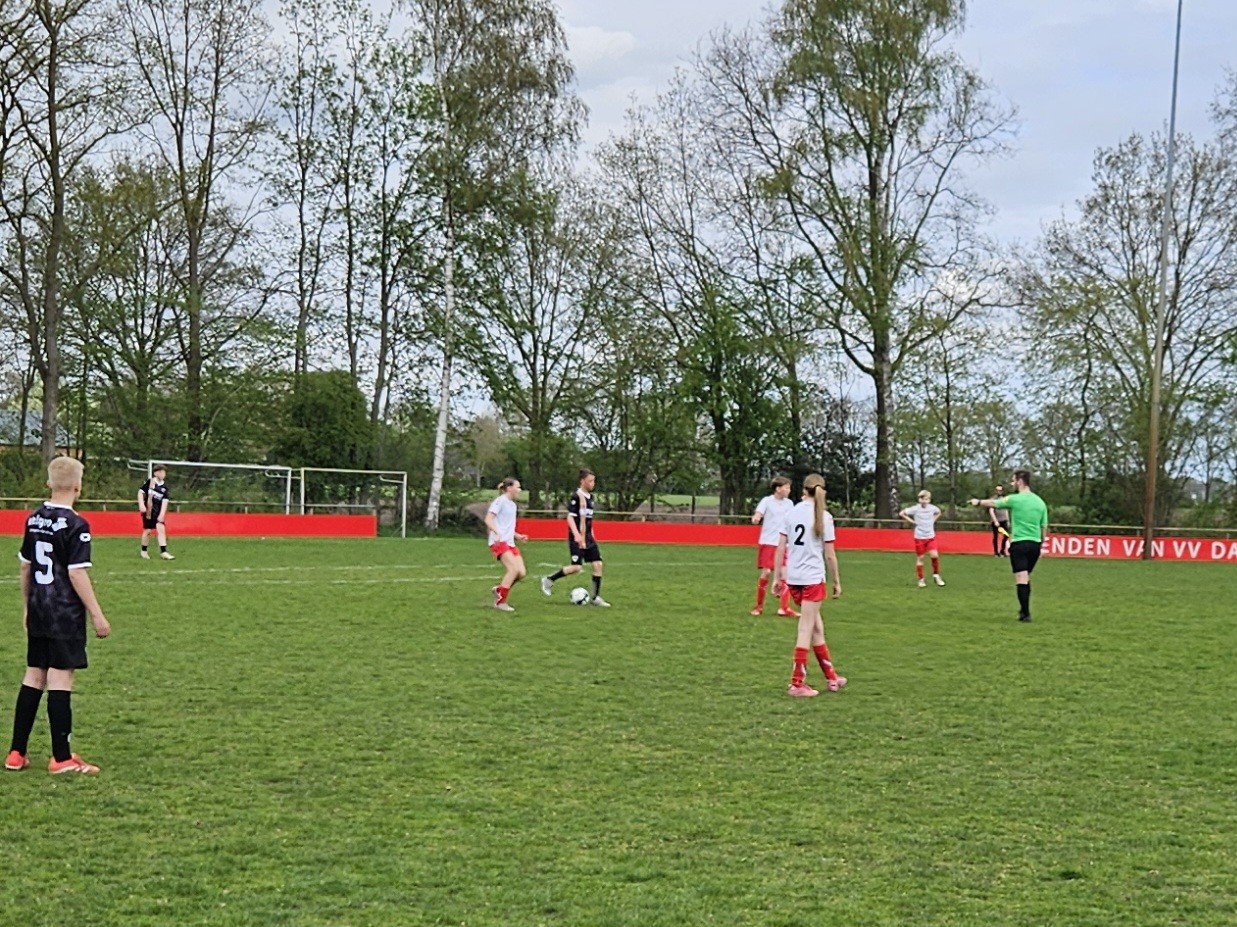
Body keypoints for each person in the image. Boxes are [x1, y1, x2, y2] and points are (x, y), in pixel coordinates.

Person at [6, 456, 111, 775]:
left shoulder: (34, 518)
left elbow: (26, 566)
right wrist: (97, 614)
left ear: (49, 484)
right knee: (61, 678)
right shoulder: (77, 524)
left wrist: (27, 607)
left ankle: (16, 753)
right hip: (63, 613)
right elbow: (77, 574)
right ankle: (61, 758)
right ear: (79, 487)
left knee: (34, 675)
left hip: (39, 608)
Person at [772, 473, 845, 698]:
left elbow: (781, 548)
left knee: (816, 628)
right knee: (806, 628)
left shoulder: (791, 513)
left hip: (794, 578)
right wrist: (837, 581)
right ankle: (797, 683)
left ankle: (831, 677)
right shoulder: (824, 516)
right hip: (812, 579)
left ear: (803, 490)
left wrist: (777, 578)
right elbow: (830, 555)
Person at [971, 469, 1049, 622]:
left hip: (1019, 543)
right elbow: (1044, 525)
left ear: (1020, 481)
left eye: (1013, 481)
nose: (1012, 484)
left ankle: (1025, 614)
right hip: (1035, 544)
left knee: (1021, 577)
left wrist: (978, 502)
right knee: (1025, 577)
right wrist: (1041, 543)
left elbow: (994, 503)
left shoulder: (1015, 499)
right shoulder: (1040, 502)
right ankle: (1024, 610)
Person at [540, 469, 610, 607]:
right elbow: (570, 517)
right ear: (582, 481)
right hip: (576, 537)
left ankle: (595, 597)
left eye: (593, 481)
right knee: (576, 567)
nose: (593, 483)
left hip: (589, 537)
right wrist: (577, 535)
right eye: (590, 481)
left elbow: (589, 519)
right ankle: (549, 579)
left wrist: (592, 534)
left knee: (598, 564)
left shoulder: (590, 498)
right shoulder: (576, 497)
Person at [749, 476, 798, 617]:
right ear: (778, 489)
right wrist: (756, 517)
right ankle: (758, 606)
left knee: (785, 574)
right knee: (767, 573)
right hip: (769, 542)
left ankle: (784, 607)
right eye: (786, 487)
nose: (789, 490)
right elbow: (759, 513)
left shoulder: (789, 504)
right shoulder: (767, 501)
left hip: (784, 544)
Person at [485, 478, 529, 613]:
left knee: (521, 573)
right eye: (518, 487)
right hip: (499, 542)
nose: (520, 490)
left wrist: (518, 535)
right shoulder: (500, 501)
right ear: (509, 488)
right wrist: (496, 532)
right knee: (513, 570)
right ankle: (500, 602)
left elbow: (507, 526)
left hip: (509, 542)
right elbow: (488, 519)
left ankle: (500, 589)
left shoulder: (512, 505)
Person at [899, 489, 945, 587]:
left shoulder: (932, 508)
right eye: (922, 499)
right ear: (919, 499)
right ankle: (921, 579)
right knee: (921, 557)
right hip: (919, 537)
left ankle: (936, 575)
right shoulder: (915, 509)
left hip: (930, 536)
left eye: (926, 499)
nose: (924, 501)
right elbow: (902, 513)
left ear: (929, 500)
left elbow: (939, 512)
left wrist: (933, 520)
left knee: (934, 555)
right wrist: (911, 521)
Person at [138, 465, 174, 560]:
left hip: (158, 511)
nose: (163, 474)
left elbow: (165, 501)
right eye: (161, 472)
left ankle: (164, 552)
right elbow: (141, 492)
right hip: (149, 510)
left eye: (164, 472)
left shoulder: (165, 488)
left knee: (161, 529)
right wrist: (141, 504)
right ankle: (144, 551)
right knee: (148, 530)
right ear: (156, 473)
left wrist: (162, 514)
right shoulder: (150, 482)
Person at [989, 484, 1011, 557]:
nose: (999, 491)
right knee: (995, 537)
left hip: (1003, 520)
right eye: (998, 490)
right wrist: (995, 520)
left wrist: (1008, 520)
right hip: (996, 521)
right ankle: (996, 552)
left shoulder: (1004, 499)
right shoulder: (993, 499)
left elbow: (1006, 510)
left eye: (1000, 490)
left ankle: (1002, 550)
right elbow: (991, 510)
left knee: (1006, 535)